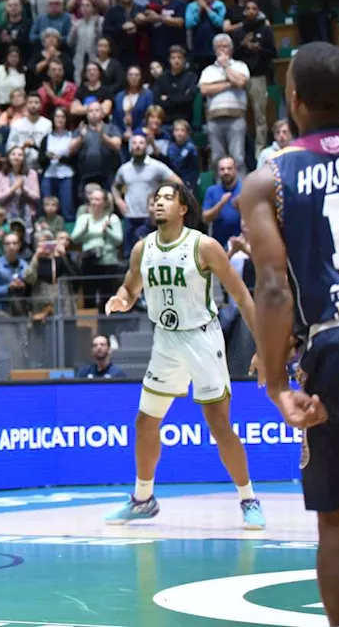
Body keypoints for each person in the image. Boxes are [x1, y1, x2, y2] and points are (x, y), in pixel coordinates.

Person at [240, 41, 339, 625]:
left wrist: (278, 381)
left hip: (334, 344)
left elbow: (276, 289)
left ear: (293, 99)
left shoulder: (268, 180)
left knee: (338, 521)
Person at [103, 181, 264, 530]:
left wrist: (263, 349)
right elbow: (131, 288)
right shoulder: (142, 248)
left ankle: (248, 498)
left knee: (219, 426)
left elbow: (242, 297)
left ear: (182, 209)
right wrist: (121, 299)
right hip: (165, 340)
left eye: (166, 198)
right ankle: (143, 499)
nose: (158, 203)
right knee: (145, 422)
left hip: (202, 339)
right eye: (156, 198)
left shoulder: (203, 246)